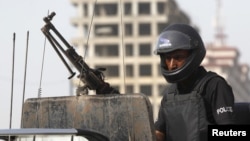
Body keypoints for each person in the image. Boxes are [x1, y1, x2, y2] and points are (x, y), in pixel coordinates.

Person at [154, 23, 236, 141]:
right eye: (168, 58)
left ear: (193, 55)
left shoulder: (214, 85)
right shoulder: (169, 95)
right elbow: (159, 133)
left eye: (178, 57)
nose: (172, 65)